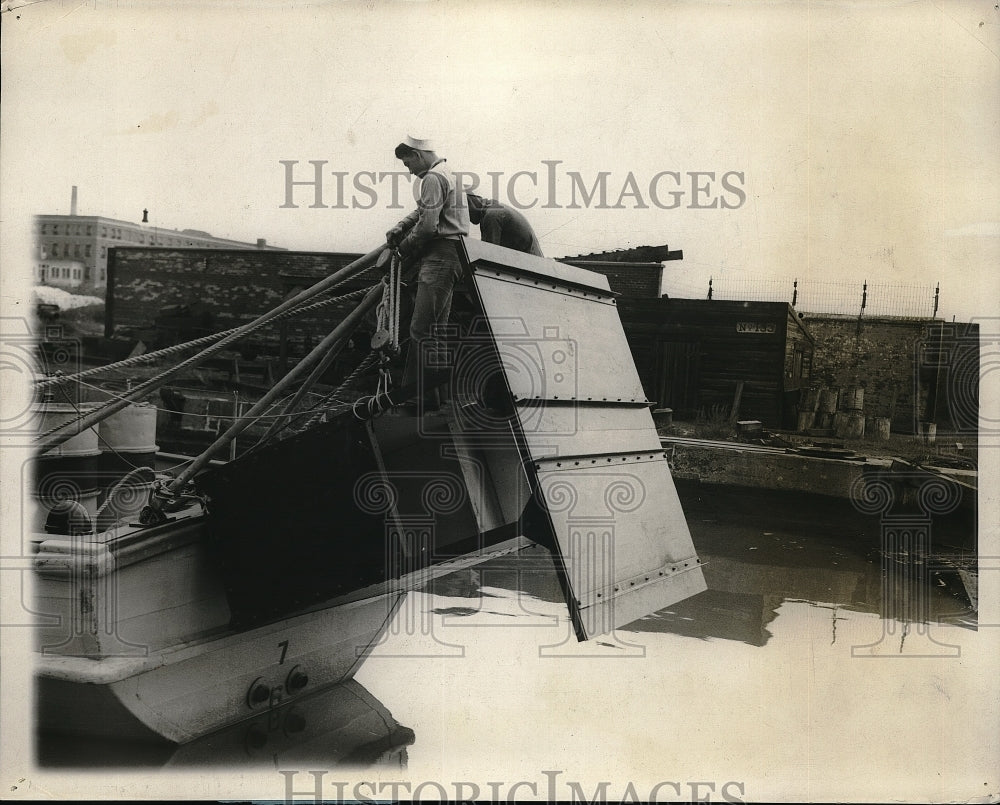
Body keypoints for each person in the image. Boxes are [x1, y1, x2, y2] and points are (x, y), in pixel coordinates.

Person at [386, 136, 470, 411]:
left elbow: (427, 227)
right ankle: (439, 400)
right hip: (455, 255)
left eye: (407, 161)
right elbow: (424, 210)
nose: (408, 169)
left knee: (421, 330)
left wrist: (404, 249)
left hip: (440, 255)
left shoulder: (432, 178)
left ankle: (415, 400)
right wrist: (401, 225)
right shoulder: (448, 173)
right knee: (436, 332)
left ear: (417, 154)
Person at [466, 192, 544, 256]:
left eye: (465, 211)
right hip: (532, 262)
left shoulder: (491, 215)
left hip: (531, 266)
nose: (466, 217)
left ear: (471, 204)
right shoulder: (494, 209)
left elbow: (490, 255)